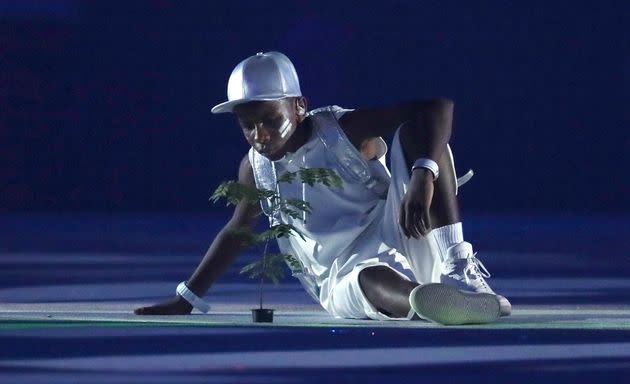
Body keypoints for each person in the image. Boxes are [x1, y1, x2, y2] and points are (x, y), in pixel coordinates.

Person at [134, 51, 511, 325]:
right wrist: (187, 297)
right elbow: (237, 231)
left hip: (403, 231)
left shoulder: (341, 131)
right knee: (371, 277)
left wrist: (423, 175)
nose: (259, 134)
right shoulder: (256, 168)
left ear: (299, 107)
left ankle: (460, 274)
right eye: (247, 125)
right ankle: (431, 303)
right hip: (339, 276)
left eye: (270, 119)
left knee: (422, 134)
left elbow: (437, 107)